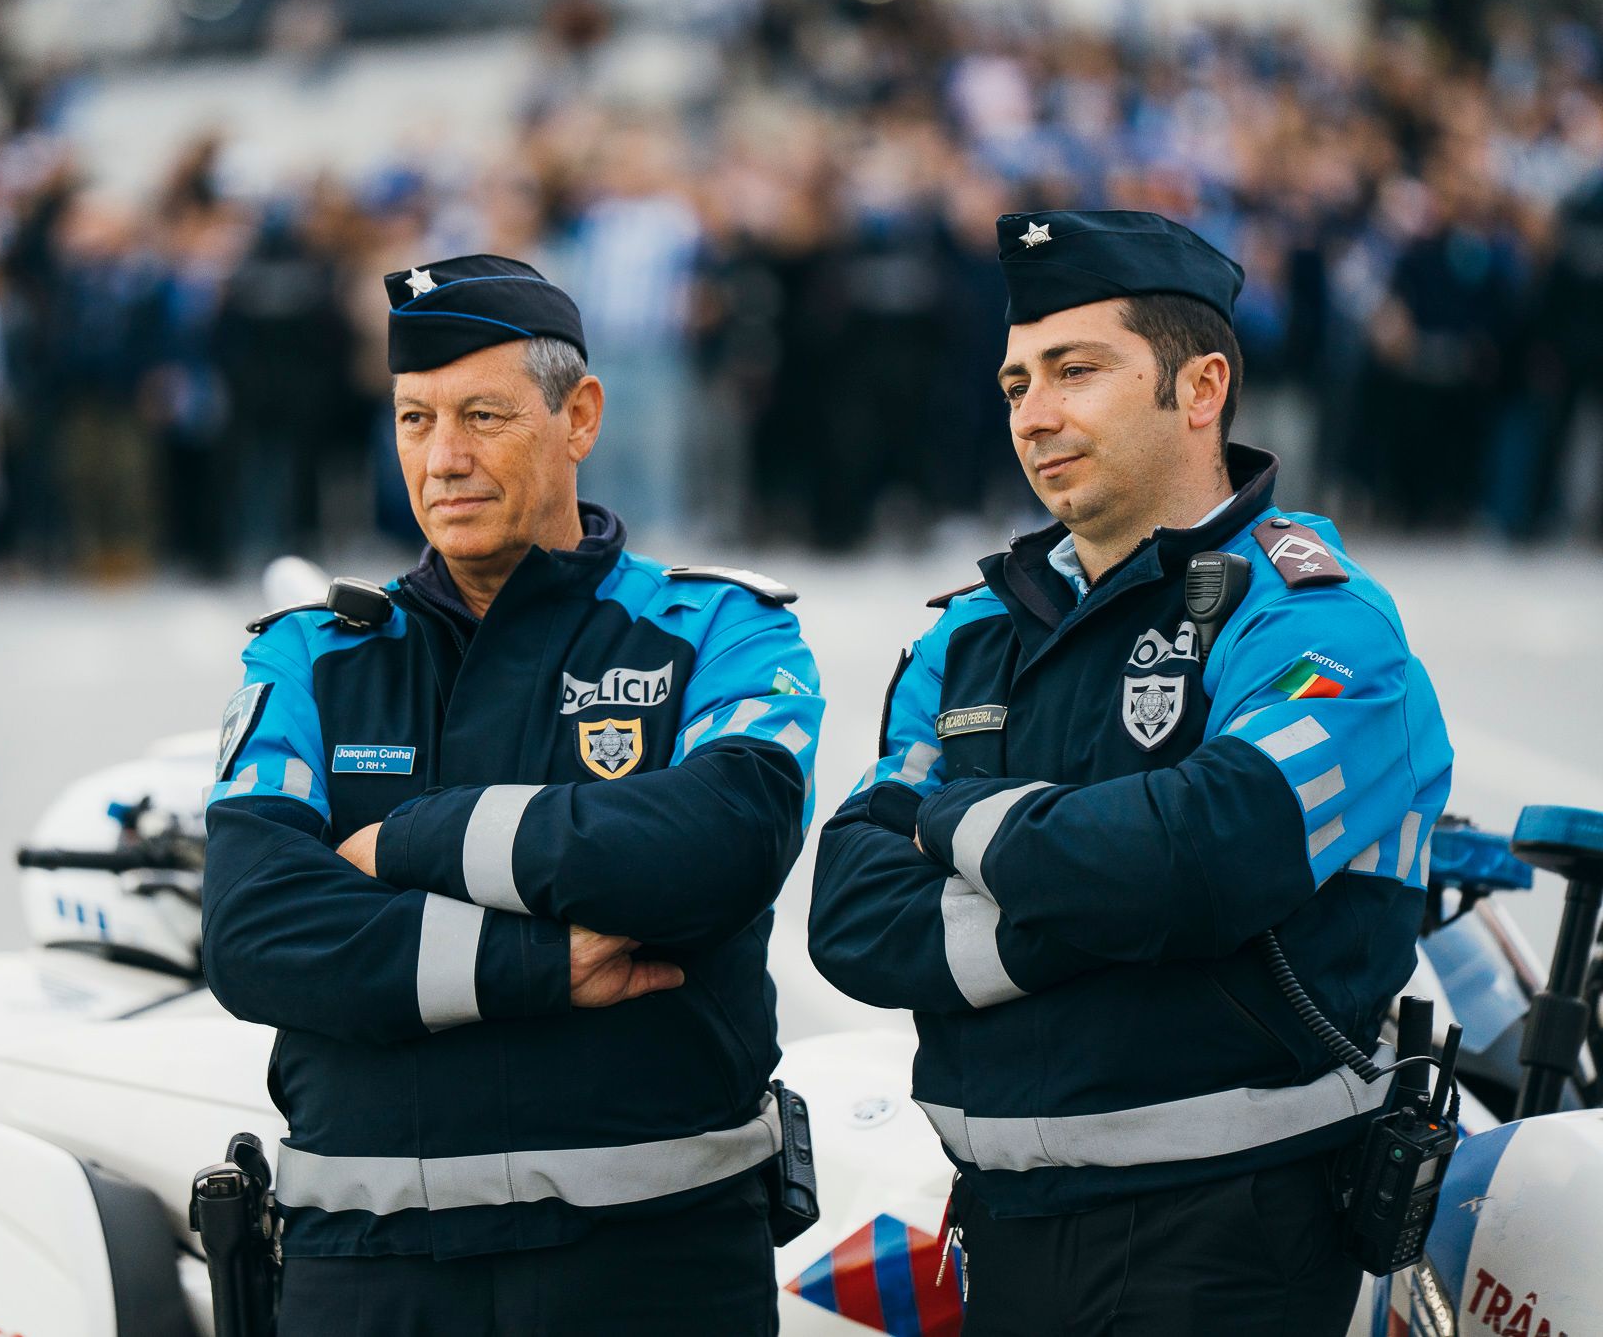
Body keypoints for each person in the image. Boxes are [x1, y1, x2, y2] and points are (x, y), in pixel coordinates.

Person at [809, 210, 1453, 1336]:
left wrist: (953, 824)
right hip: (999, 1232)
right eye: (1015, 384)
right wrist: (1112, 904)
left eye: (1076, 371)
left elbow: (1202, 856)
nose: (1034, 414)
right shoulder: (969, 633)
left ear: (1199, 389)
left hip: (1228, 1244)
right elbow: (850, 913)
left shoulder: (1321, 620)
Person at [201, 254, 824, 1337]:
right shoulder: (310, 655)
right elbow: (254, 932)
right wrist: (536, 961)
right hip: (366, 1275)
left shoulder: (718, 629)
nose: (443, 458)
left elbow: (716, 848)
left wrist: (403, 841)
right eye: (414, 420)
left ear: (578, 417)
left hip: (651, 1268)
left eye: (483, 416)